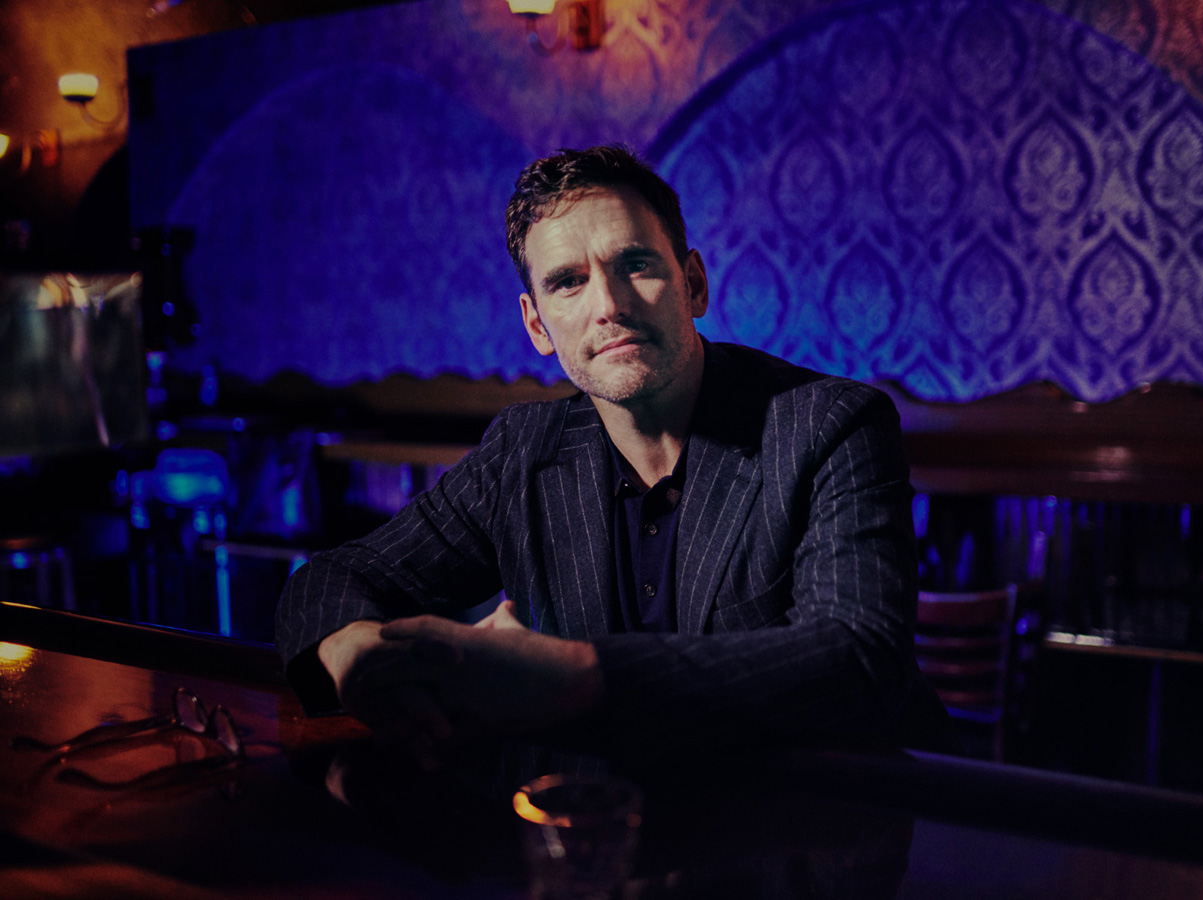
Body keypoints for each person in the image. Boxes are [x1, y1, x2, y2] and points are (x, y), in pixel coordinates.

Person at [275, 145, 946, 770]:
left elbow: (861, 659)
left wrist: (574, 676)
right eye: (568, 282)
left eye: (636, 265)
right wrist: (355, 653)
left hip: (832, 822)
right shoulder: (522, 451)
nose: (610, 306)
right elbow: (331, 578)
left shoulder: (831, 425)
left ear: (693, 284)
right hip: (610, 824)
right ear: (537, 325)